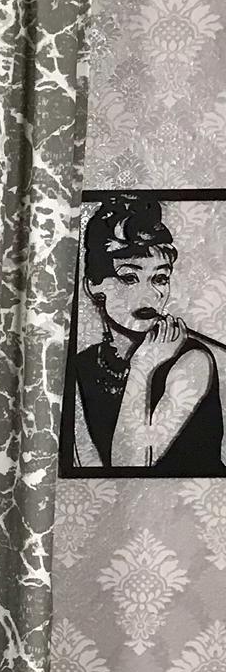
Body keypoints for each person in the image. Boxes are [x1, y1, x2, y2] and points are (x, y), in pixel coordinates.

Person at [63, 196, 226, 475]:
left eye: (160, 278)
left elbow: (128, 466)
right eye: (129, 278)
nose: (149, 294)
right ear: (94, 286)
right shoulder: (82, 365)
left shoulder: (193, 361)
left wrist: (145, 365)